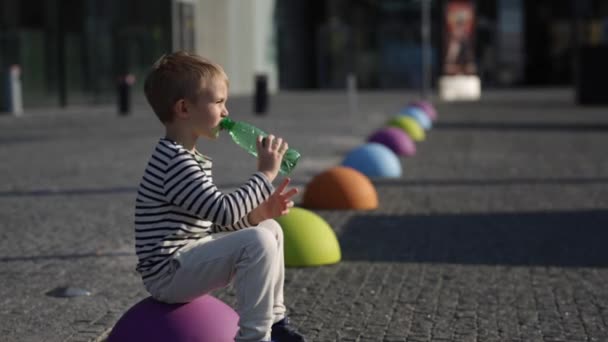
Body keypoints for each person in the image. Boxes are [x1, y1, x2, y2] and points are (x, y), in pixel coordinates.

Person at [135, 51, 306, 342]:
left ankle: (276, 324)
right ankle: (254, 338)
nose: (226, 112)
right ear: (184, 109)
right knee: (258, 241)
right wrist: (265, 175)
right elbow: (223, 212)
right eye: (218, 102)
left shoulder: (188, 157)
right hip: (168, 274)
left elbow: (209, 224)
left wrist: (257, 215)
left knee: (269, 229)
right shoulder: (175, 162)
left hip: (187, 258)